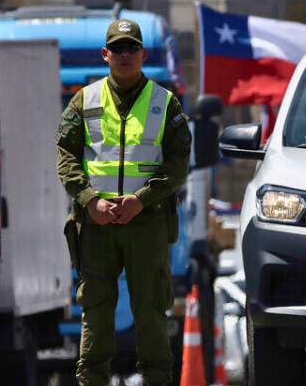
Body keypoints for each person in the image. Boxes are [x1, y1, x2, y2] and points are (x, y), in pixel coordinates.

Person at [56, 19, 192, 386]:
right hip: (96, 224)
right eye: (118, 48)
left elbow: (180, 162)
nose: (125, 54)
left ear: (144, 54)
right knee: (96, 312)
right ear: (106, 55)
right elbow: (65, 156)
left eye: (132, 47)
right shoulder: (84, 100)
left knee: (150, 312)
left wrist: (142, 199)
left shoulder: (165, 102)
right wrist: (89, 201)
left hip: (147, 222)